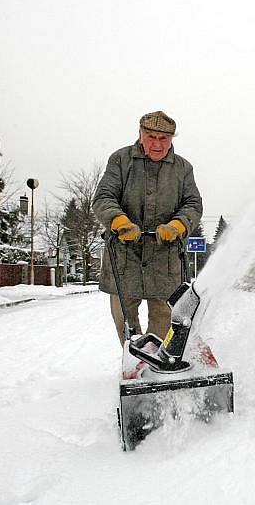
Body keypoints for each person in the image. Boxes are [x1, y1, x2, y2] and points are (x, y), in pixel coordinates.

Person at [94, 111, 203, 345]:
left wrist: (177, 225)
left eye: (163, 139)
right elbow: (104, 197)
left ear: (172, 139)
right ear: (140, 134)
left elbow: (193, 204)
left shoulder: (183, 169)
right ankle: (132, 359)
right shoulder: (121, 161)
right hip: (124, 254)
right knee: (124, 317)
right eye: (151, 136)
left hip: (164, 256)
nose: (156, 143)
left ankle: (154, 362)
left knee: (165, 318)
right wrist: (119, 222)